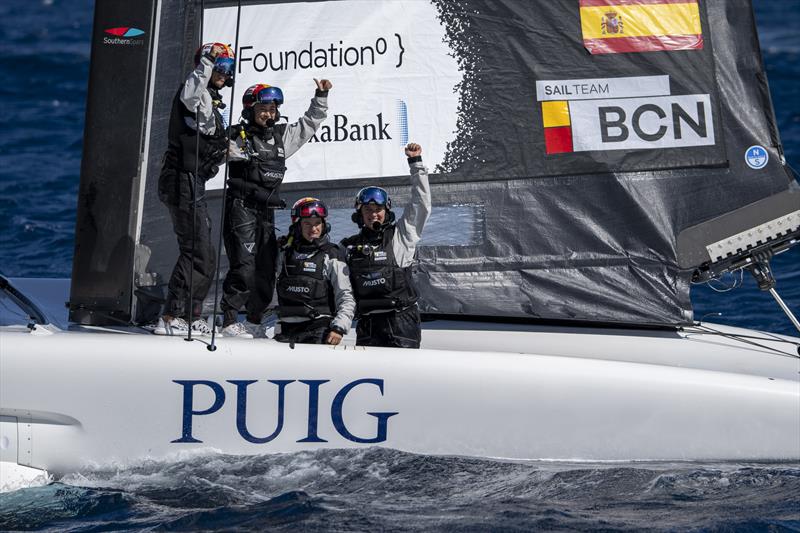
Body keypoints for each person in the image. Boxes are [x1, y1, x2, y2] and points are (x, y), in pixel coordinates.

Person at [219, 80, 332, 338]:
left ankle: (254, 320)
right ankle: (228, 320)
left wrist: (321, 96)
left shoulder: (281, 137)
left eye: (272, 109)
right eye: (263, 109)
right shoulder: (237, 136)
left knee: (266, 267)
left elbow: (309, 123)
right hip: (241, 209)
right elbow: (212, 151)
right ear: (250, 110)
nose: (268, 114)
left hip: (265, 213)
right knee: (244, 265)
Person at [155, 42, 235, 336]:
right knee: (195, 250)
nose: (224, 74)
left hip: (195, 182)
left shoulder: (213, 103)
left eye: (228, 69)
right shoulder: (193, 91)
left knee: (207, 253)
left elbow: (215, 144)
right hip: (180, 180)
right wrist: (208, 61)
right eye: (220, 67)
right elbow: (191, 96)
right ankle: (170, 315)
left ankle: (190, 314)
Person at [341, 143, 431, 348]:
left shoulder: (402, 236)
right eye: (368, 209)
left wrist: (416, 164)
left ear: (386, 210)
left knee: (403, 377)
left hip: (401, 323)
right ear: (360, 214)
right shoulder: (348, 247)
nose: (373, 213)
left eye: (378, 208)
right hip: (367, 324)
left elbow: (421, 204)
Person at [274, 198, 355, 345]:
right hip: (285, 330)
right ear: (297, 225)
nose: (313, 229)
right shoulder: (284, 253)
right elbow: (269, 291)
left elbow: (345, 295)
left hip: (319, 330)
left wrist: (339, 328)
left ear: (324, 225)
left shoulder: (331, 254)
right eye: (307, 224)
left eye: (317, 223)